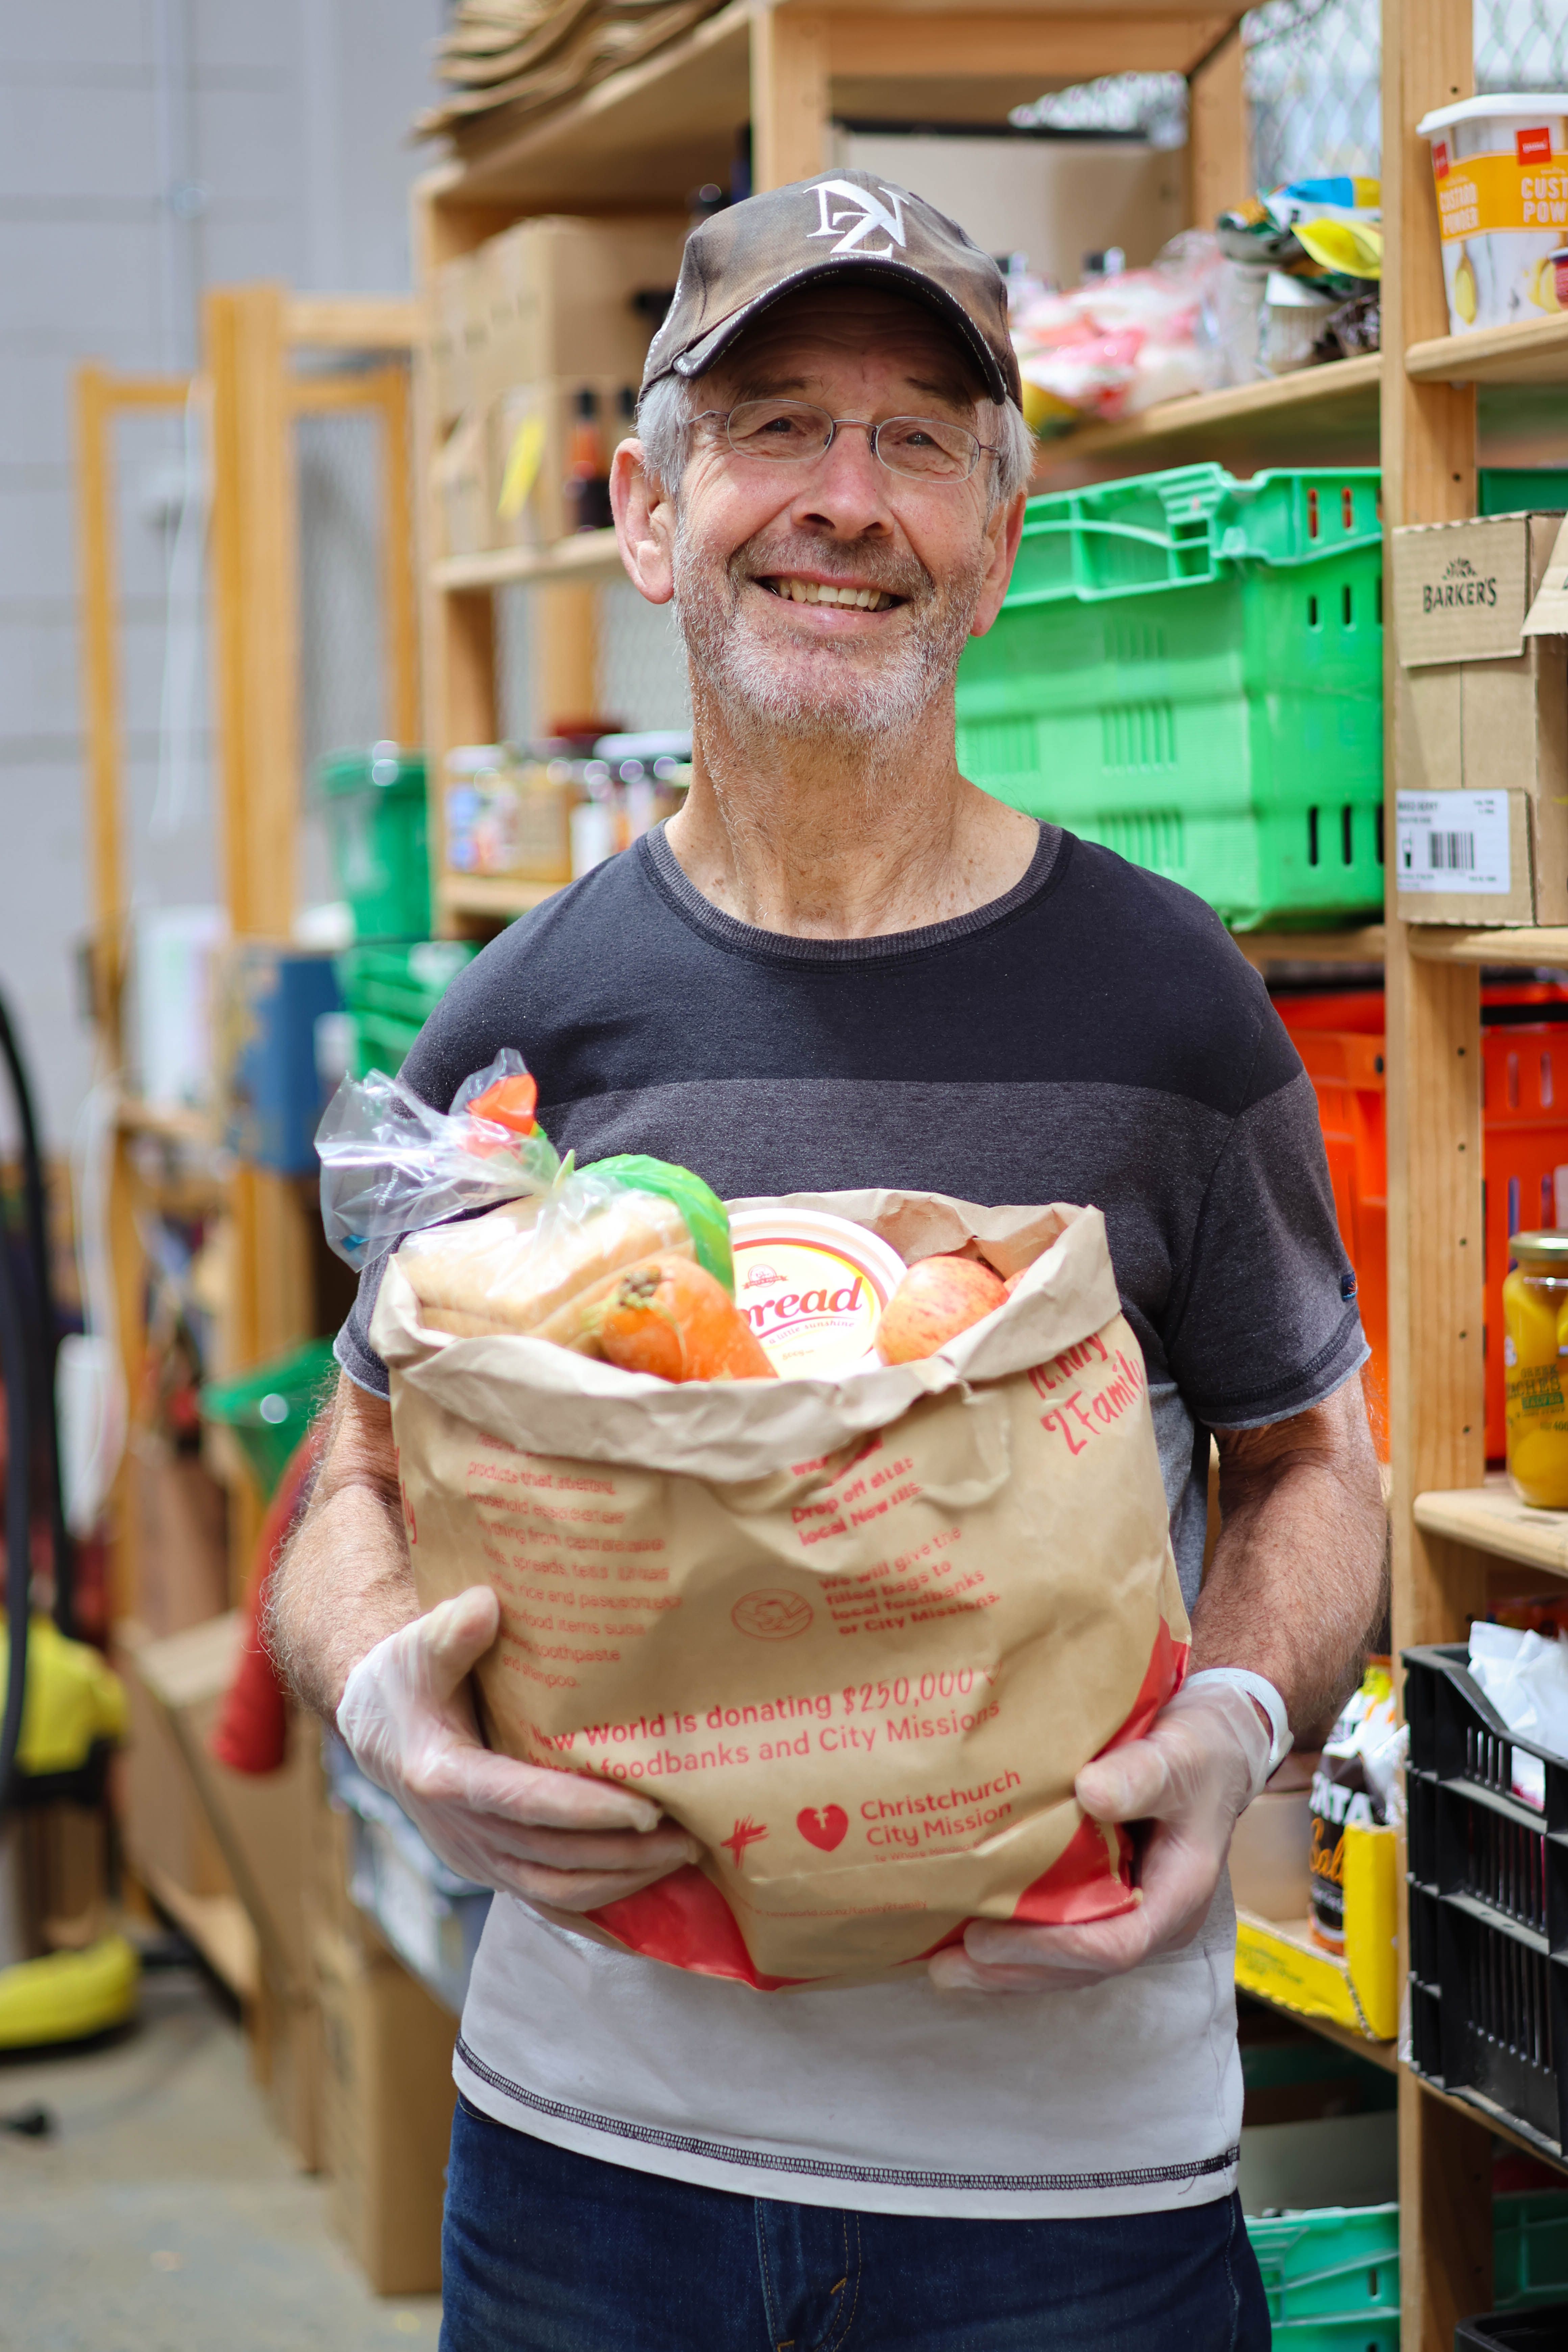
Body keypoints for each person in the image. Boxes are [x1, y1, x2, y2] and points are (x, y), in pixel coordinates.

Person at [271, 170, 1388, 2351]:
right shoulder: (523, 1026)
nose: (843, 502)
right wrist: (387, 1698)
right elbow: (351, 1489)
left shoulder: (1171, 1007)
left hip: (1070, 2196)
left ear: (1000, 526)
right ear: (647, 505)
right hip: (599, 2165)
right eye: (777, 425)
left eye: (916, 440)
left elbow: (1311, 1466)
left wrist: (1245, 1716)